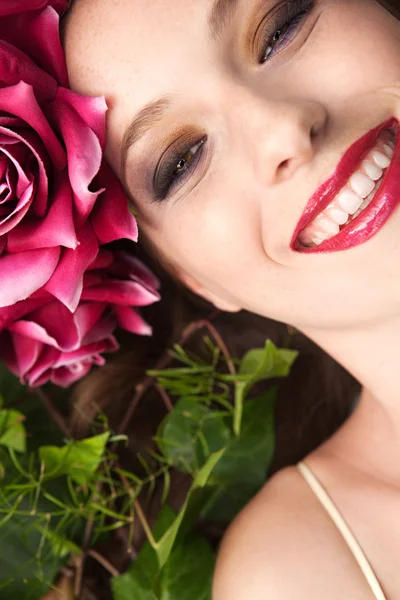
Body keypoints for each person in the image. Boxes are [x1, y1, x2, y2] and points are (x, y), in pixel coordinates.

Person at [63, 1, 400, 598]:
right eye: (181, 162)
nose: (282, 130)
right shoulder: (309, 571)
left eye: (281, 27)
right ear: (189, 277)